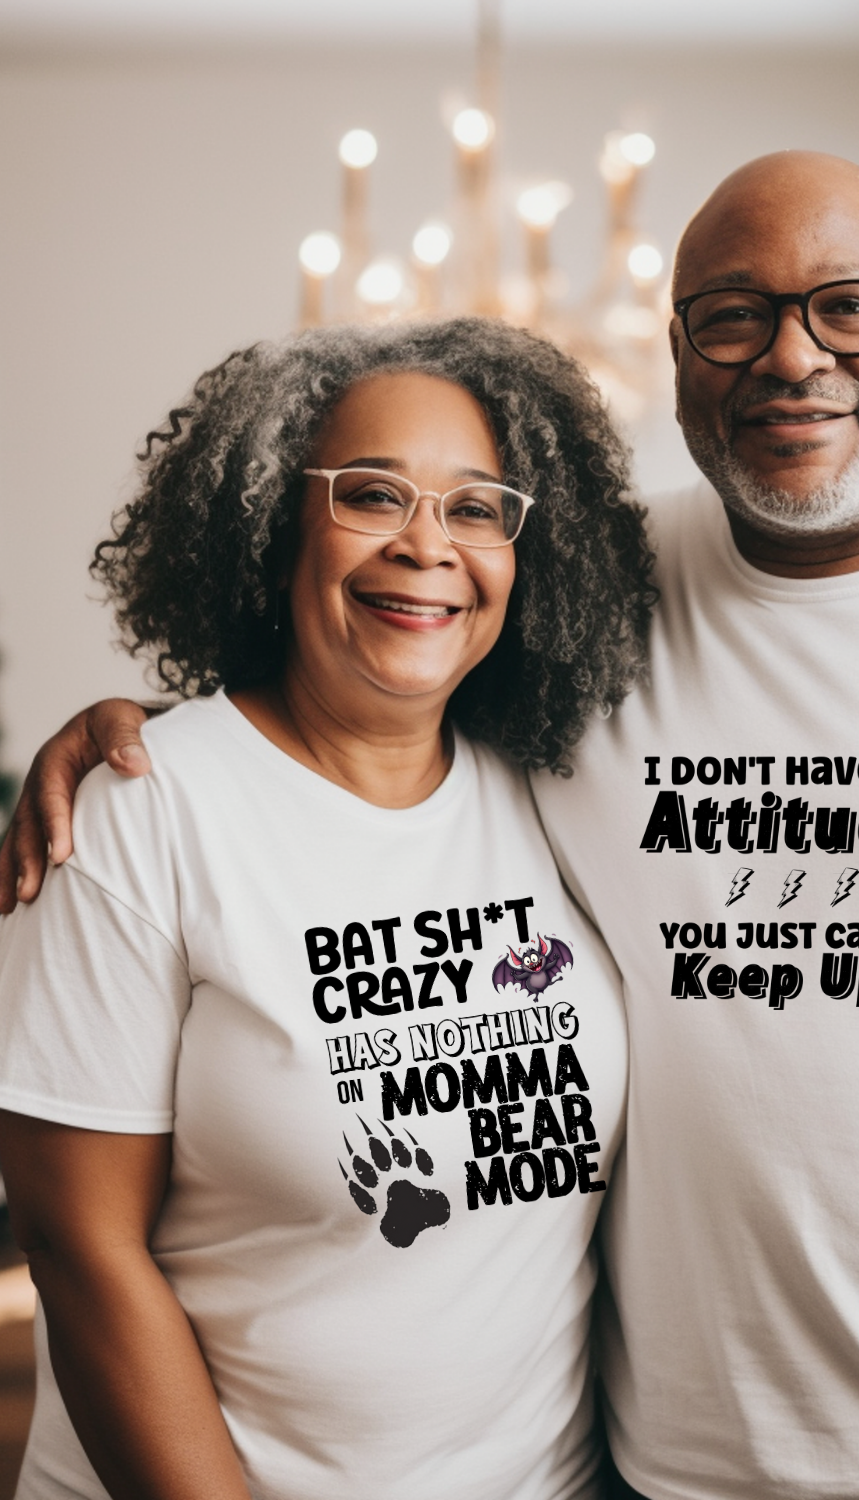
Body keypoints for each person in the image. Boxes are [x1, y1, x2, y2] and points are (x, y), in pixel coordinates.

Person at [8, 151, 859, 1500]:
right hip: (663, 1466)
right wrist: (138, 732)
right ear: (680, 355)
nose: (792, 357)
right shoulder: (605, 613)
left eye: (852, 306)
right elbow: (356, 685)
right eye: (733, 315)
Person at [0, 317, 656, 1500]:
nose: (427, 547)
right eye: (371, 495)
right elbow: (81, 1249)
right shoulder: (145, 808)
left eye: (474, 508)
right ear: (270, 526)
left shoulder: (557, 792)